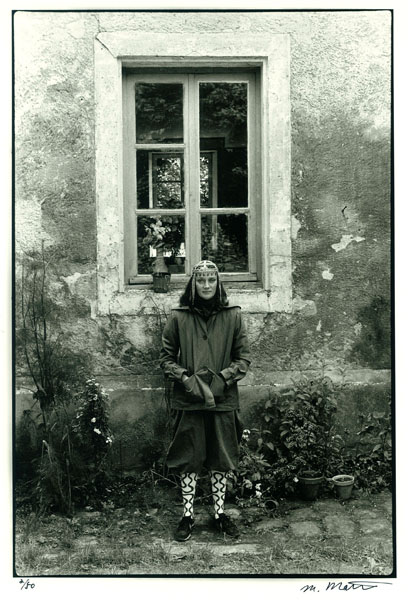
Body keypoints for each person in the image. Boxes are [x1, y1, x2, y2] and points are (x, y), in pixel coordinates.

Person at [159, 260, 251, 542]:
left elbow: (243, 358)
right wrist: (185, 378)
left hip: (222, 399)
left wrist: (223, 379)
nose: (207, 285)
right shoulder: (179, 317)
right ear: (193, 284)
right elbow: (166, 358)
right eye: (201, 280)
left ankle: (219, 514)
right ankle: (187, 515)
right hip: (189, 399)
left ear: (218, 283)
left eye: (211, 280)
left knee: (220, 458)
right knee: (189, 457)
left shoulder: (233, 316)